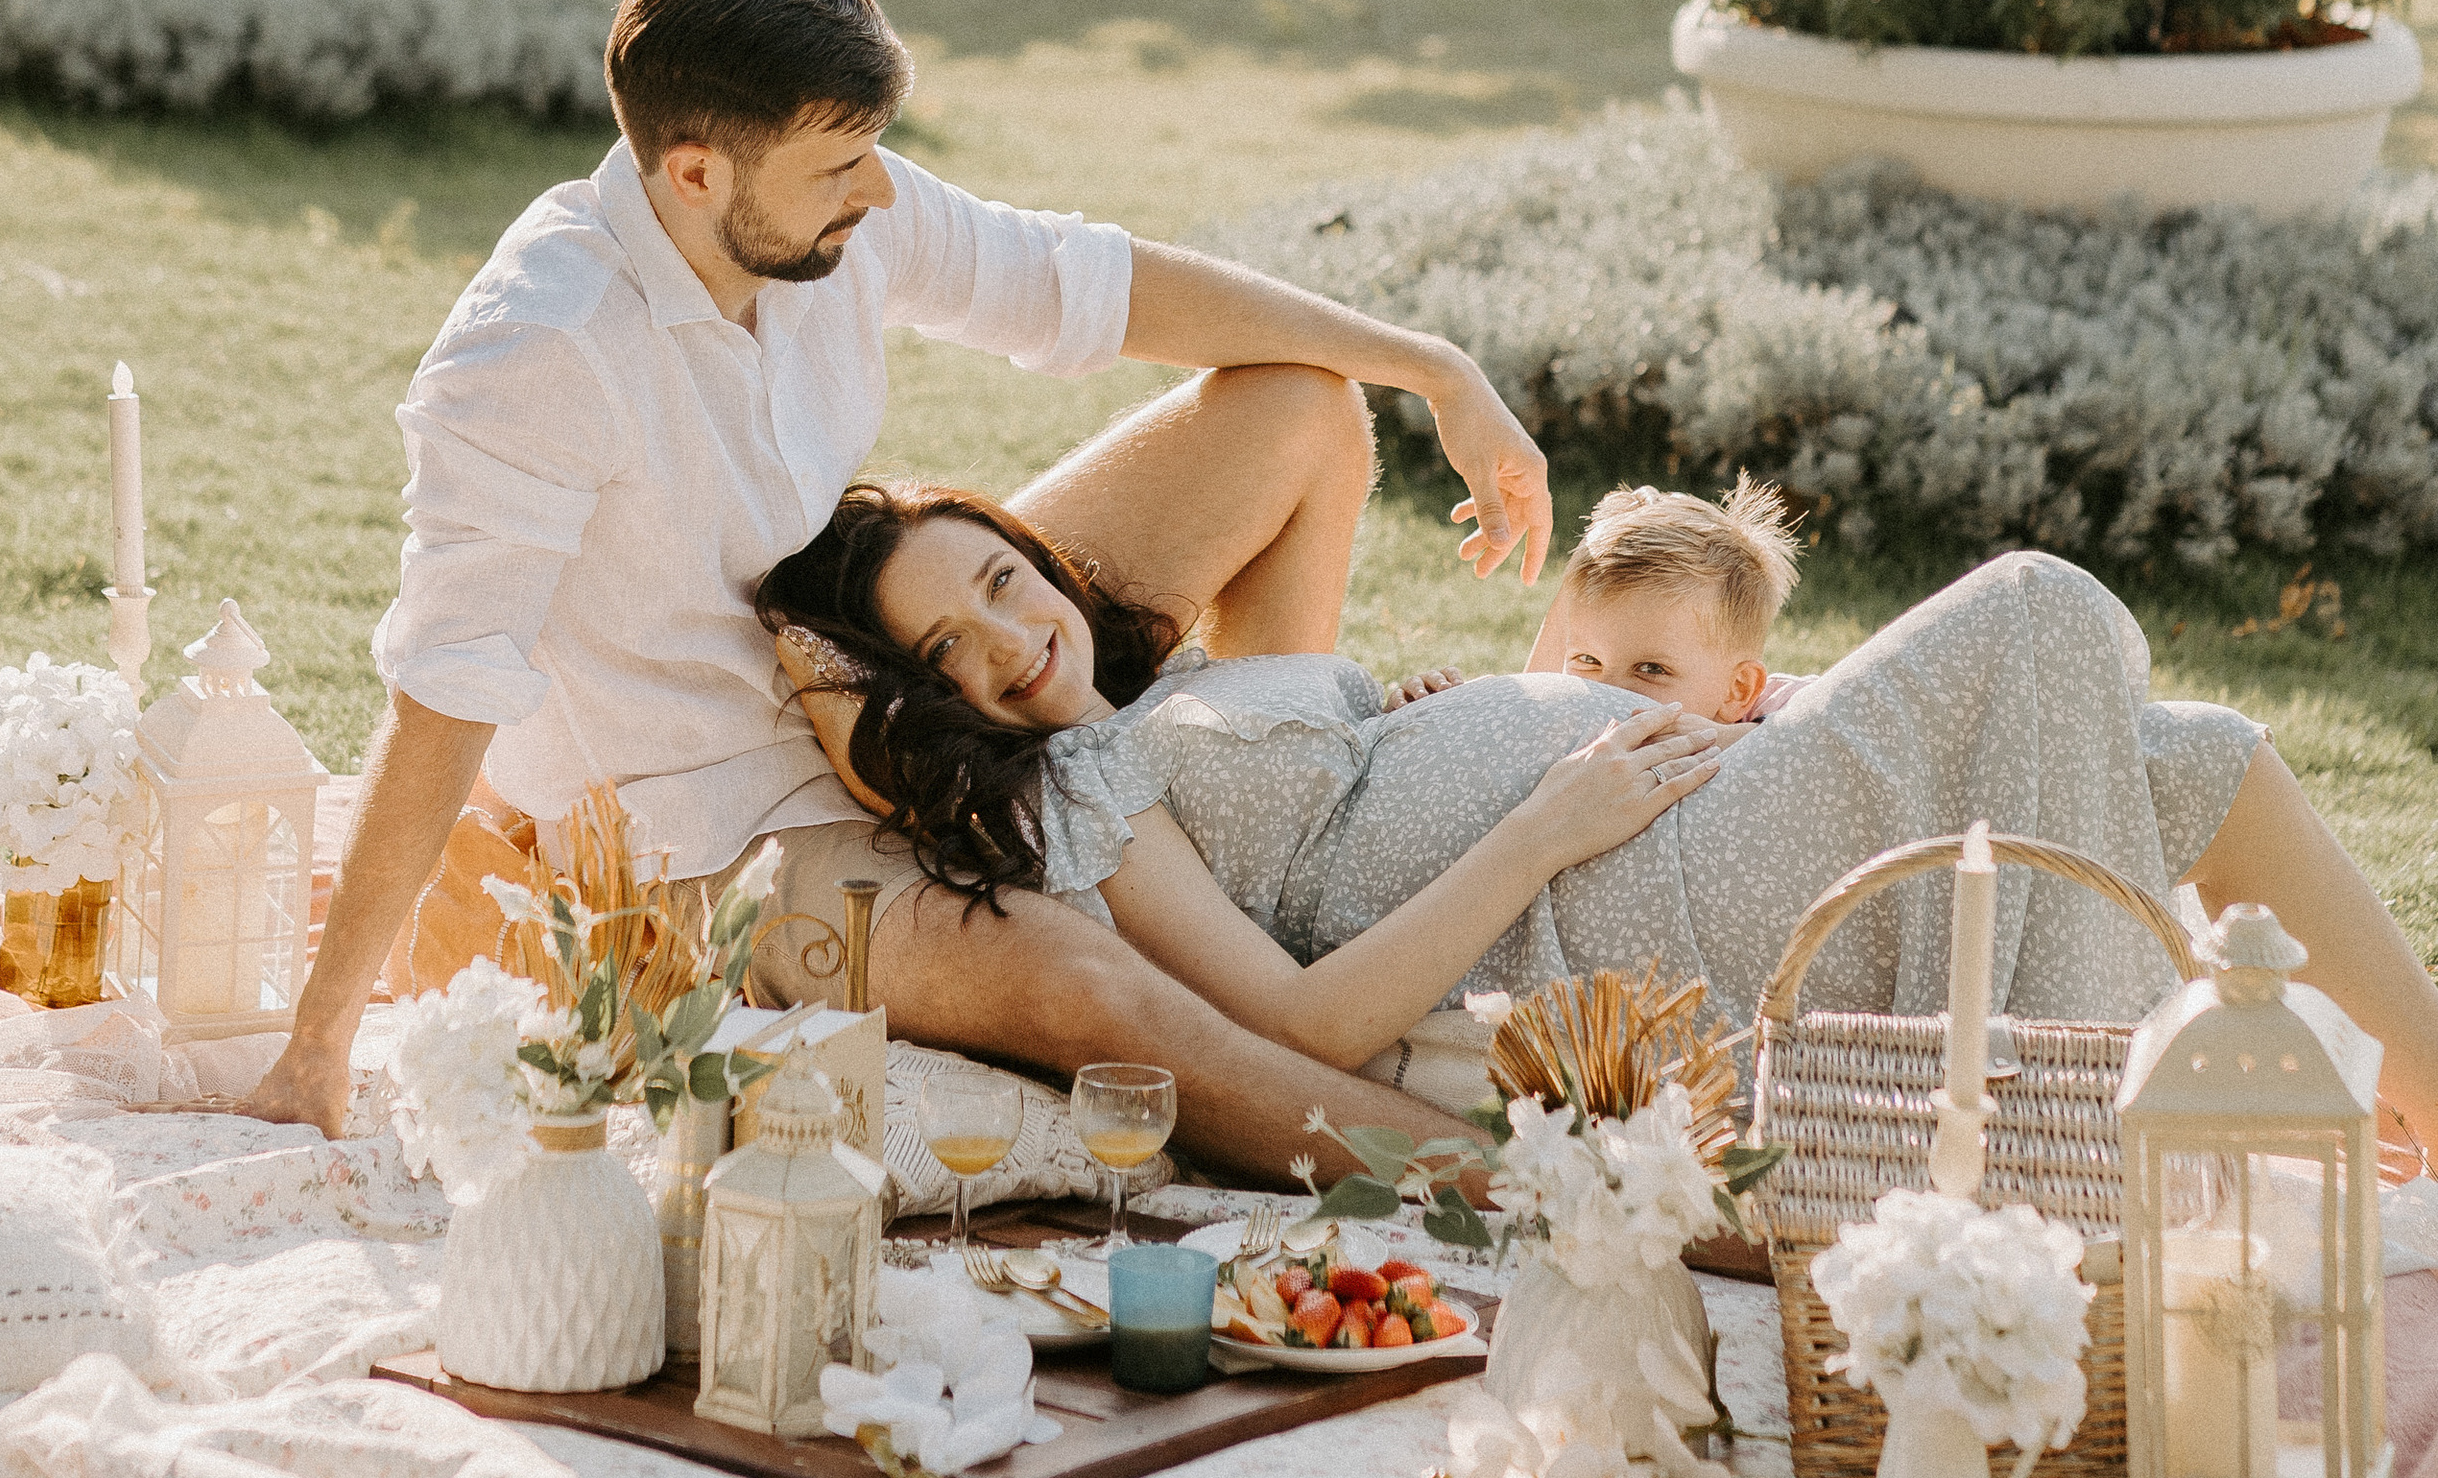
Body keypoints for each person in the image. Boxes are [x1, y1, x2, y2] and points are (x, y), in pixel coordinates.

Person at [245, 0, 1555, 1177]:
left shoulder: (828, 195)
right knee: (1077, 981)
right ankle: (1509, 1182)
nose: (876, 190)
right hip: (726, 835)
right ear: (693, 173)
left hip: (903, 642)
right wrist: (320, 1039)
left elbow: (1073, 280)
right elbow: (446, 689)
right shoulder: (536, 351)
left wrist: (1427, 367)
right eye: (840, 165)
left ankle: (1271, 870)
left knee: (1298, 405)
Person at [759, 480, 2438, 1167]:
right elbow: (1302, 1018)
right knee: (2037, 608)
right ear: (933, 709)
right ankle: (2052, 1156)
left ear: (1031, 548)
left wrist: (1405, 719)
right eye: (952, 658)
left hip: (1672, 812)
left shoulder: (1155, 700)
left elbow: (1332, 799)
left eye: (996, 578)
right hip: (1635, 891)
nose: (1006, 638)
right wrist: (1541, 821)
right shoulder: (1087, 803)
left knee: (2200, 755)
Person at [1517, 475, 1808, 726]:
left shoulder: (1780, 718)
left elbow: (1830, 733)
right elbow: (1528, 711)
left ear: (1737, 690)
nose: (1606, 693)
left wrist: (1732, 738)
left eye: (1651, 669)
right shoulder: (1575, 726)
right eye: (1588, 660)